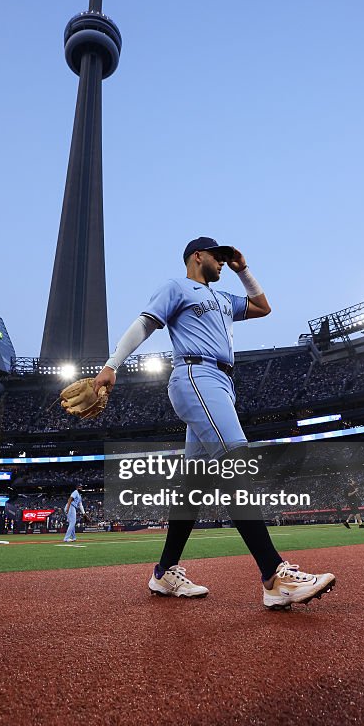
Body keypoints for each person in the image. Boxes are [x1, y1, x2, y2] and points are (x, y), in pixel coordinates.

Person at [93, 236, 336, 609]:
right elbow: (145, 324)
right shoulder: (178, 286)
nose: (222, 262)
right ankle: (274, 576)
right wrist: (112, 364)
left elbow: (263, 307)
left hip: (221, 383)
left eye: (226, 259)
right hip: (195, 375)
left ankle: (164, 573)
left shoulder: (222, 298)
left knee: (194, 486)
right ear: (197, 257)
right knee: (236, 462)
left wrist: (244, 269)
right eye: (218, 257)